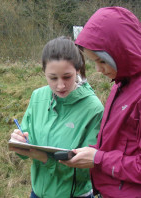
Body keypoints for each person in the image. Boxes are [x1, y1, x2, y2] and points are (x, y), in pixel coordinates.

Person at [60, 7, 141, 198]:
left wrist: (98, 158)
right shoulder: (121, 83)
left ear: (121, 52)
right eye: (93, 61)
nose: (98, 69)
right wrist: (91, 152)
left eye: (102, 61)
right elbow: (120, 145)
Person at [9, 36, 104, 198]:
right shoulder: (37, 97)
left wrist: (45, 159)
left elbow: (88, 172)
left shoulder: (93, 109)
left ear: (78, 70)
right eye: (53, 78)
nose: (60, 86)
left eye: (67, 77)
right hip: (37, 193)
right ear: (43, 73)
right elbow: (25, 146)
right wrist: (20, 142)